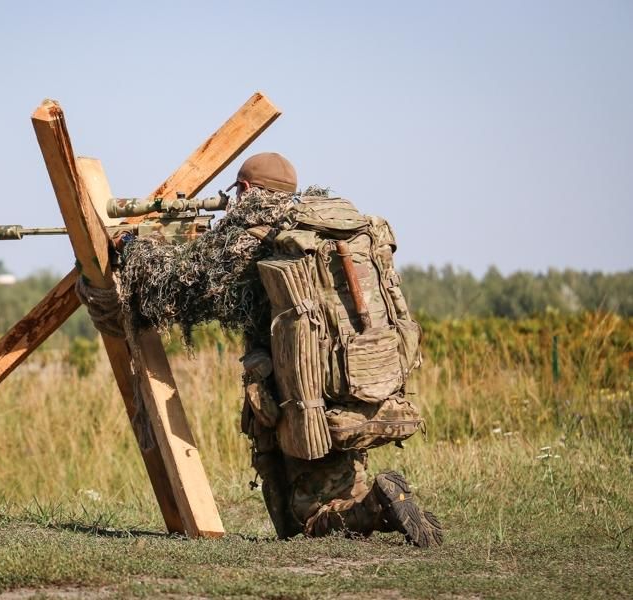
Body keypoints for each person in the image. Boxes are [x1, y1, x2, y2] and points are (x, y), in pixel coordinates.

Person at [84, 152, 443, 547]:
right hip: (349, 381)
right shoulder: (318, 234)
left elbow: (177, 292)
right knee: (339, 486)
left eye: (236, 192)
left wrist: (132, 248)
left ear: (248, 189)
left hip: (295, 394)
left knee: (302, 520)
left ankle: (378, 503)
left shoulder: (251, 238)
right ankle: (383, 502)